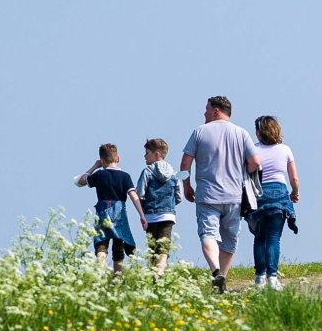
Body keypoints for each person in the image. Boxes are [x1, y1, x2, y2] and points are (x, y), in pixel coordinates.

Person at [181, 96, 262, 293]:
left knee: (208, 234)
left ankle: (215, 271)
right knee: (229, 240)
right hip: (234, 196)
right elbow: (255, 162)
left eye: (207, 109)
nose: (204, 113)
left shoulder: (199, 132)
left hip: (207, 195)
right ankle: (222, 278)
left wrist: (186, 185)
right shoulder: (241, 133)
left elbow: (185, 164)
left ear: (216, 110)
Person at [74, 143, 147, 273]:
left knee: (101, 244)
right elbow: (133, 195)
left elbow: (79, 182)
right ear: (118, 158)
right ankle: (117, 279)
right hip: (119, 214)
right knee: (118, 247)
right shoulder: (125, 176)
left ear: (102, 160)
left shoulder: (99, 175)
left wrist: (95, 166)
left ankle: (100, 275)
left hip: (103, 212)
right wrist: (141, 214)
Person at [248, 115, 300, 290]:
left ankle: (259, 278)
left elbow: (246, 173)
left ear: (259, 132)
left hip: (259, 195)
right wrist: (295, 193)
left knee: (259, 238)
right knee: (273, 238)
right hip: (279, 193)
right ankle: (272, 277)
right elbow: (294, 178)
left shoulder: (253, 150)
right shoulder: (285, 150)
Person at [136, 138, 182, 275]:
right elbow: (179, 196)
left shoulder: (147, 172)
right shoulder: (173, 173)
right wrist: (169, 206)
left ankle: (153, 272)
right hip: (168, 215)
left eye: (147, 153)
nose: (144, 156)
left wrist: (143, 208)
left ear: (156, 154)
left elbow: (139, 193)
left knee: (153, 247)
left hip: (150, 215)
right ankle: (160, 271)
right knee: (164, 247)